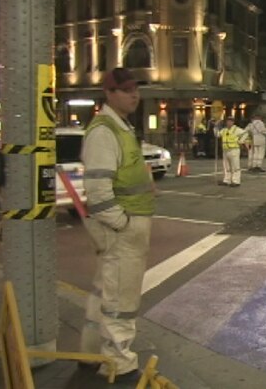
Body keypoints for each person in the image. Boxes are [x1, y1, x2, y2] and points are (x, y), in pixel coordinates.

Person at [79, 68, 154, 383]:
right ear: (109, 93)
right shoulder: (104, 131)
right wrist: (120, 223)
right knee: (120, 299)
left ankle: (91, 353)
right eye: (125, 90)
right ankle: (120, 365)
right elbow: (97, 189)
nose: (133, 94)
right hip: (121, 228)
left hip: (125, 225)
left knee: (104, 290)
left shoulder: (120, 127)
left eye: (135, 88)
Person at [214, 117, 247, 186]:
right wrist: (215, 127)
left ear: (233, 122)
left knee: (235, 166)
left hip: (234, 149)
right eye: (228, 121)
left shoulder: (236, 129)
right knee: (226, 167)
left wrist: (241, 141)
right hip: (225, 150)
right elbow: (217, 134)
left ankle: (236, 181)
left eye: (230, 121)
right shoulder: (224, 130)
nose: (229, 123)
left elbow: (245, 133)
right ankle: (227, 180)